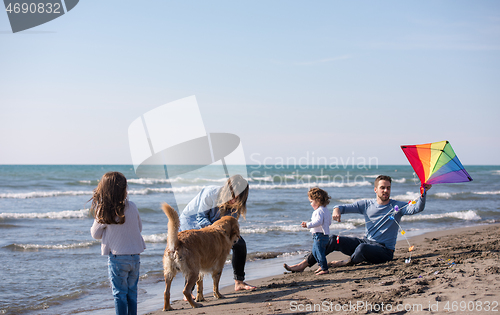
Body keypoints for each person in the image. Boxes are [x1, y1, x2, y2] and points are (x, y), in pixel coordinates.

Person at [284, 175, 432, 272]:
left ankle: (345, 262)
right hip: (366, 242)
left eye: (388, 188)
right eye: (382, 187)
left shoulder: (396, 206)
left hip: (384, 251)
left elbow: (417, 208)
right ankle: (303, 264)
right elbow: (342, 207)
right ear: (375, 189)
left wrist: (423, 193)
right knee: (332, 239)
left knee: (362, 248)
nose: (386, 190)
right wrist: (336, 210)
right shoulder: (366, 204)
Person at [179, 174, 255, 291]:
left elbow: (229, 225)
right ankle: (189, 290)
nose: (233, 200)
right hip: (191, 221)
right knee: (196, 252)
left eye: (238, 198)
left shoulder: (237, 204)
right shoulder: (210, 193)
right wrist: (214, 234)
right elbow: (201, 217)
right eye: (233, 196)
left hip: (214, 227)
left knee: (239, 244)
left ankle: (239, 282)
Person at [90, 172, 146, 315]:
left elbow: (95, 234)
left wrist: (109, 233)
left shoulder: (103, 209)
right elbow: (139, 228)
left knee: (119, 294)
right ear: (124, 189)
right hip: (135, 256)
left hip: (118, 258)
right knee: (132, 293)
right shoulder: (132, 206)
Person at [301, 187, 332, 275]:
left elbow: (318, 222)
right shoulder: (325, 210)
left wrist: (308, 224)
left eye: (311, 202)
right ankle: (321, 266)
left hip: (319, 235)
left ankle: (324, 268)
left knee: (319, 253)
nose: (310, 204)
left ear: (318, 200)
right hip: (324, 235)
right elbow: (329, 222)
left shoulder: (318, 211)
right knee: (315, 252)